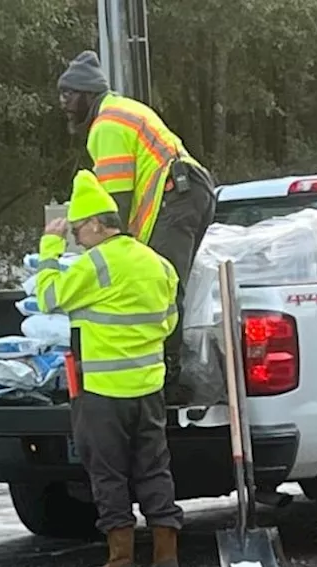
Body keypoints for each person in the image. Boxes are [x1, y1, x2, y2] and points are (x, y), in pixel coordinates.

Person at [36, 169, 185, 567]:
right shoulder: (158, 263)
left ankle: (121, 561)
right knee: (155, 470)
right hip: (149, 388)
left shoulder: (96, 264)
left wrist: (49, 246)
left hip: (102, 393)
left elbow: (47, 297)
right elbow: (169, 321)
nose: (77, 238)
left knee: (109, 475)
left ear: (99, 225)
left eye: (79, 230)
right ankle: (166, 558)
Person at [57, 50, 217, 406]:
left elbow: (114, 208)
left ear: (87, 94)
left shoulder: (106, 126)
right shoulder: (122, 111)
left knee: (159, 284)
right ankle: (167, 368)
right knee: (160, 280)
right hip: (189, 191)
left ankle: (167, 377)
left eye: (69, 94)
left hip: (178, 196)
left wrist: (97, 257)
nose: (63, 103)